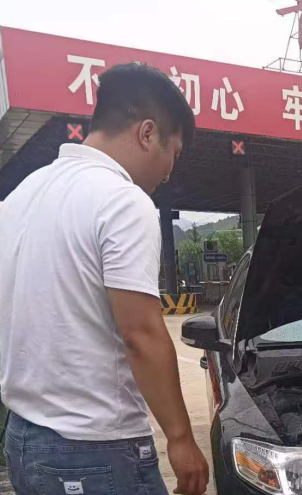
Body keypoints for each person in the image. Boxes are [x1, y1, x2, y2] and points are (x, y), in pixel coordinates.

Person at [0, 64, 209, 495]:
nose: (169, 172)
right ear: (147, 133)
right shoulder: (123, 201)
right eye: (174, 153)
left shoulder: (22, 194)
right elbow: (140, 333)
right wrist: (181, 439)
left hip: (24, 441)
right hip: (96, 451)